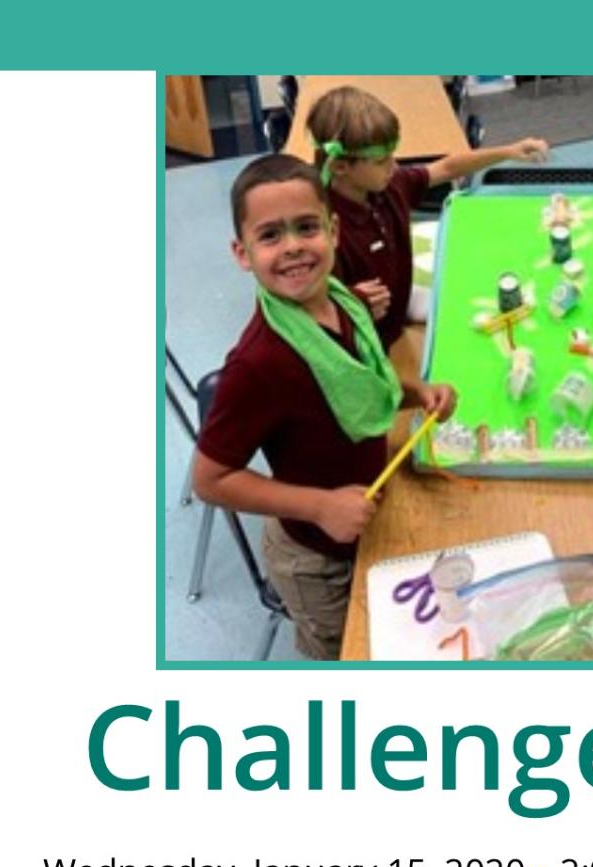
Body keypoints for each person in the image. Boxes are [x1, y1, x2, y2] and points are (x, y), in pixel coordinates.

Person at [191, 154, 457, 660]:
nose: (292, 247)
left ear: (332, 231)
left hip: (368, 518)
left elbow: (363, 380)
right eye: (270, 235)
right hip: (317, 557)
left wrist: (416, 392)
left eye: (306, 227)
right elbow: (210, 479)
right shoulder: (258, 364)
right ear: (242, 253)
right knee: (349, 653)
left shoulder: (342, 299)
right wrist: (320, 507)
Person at [307, 84, 548, 349]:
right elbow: (311, 314)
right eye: (381, 161)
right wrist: (351, 301)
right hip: (370, 340)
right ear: (340, 166)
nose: (394, 166)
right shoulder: (324, 231)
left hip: (401, 300)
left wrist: (509, 151)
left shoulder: (388, 185)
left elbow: (445, 168)